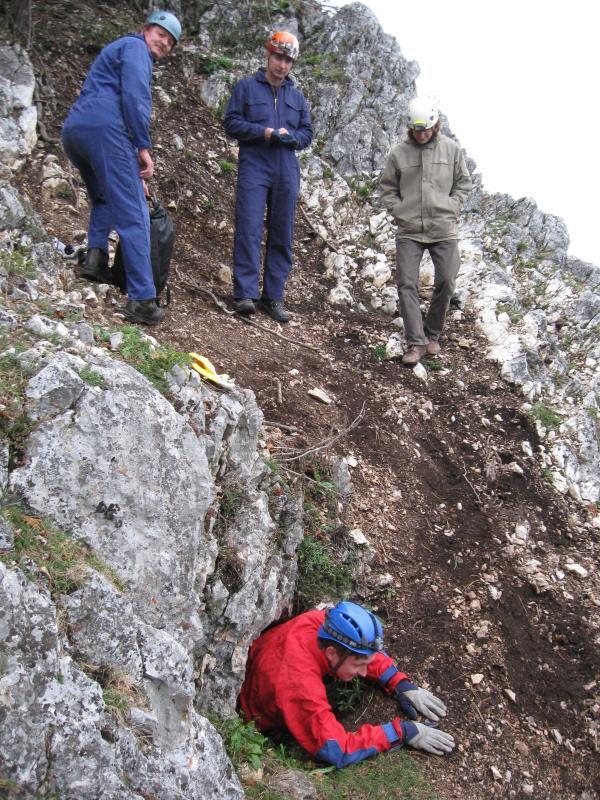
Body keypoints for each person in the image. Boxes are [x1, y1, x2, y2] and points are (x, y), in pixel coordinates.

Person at [61, 10, 181, 327]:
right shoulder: (136, 49)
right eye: (161, 33)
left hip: (76, 132)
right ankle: (142, 299)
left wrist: (128, 164)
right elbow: (135, 98)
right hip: (106, 131)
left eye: (171, 41)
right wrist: (142, 148)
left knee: (104, 197)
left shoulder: (118, 49)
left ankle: (96, 260)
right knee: (135, 214)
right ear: (145, 29)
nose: (165, 42)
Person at [239, 600, 455, 768]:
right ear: (331, 653)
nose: (363, 672)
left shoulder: (321, 625)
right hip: (251, 716)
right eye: (358, 666)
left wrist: (398, 682)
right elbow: (338, 749)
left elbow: (362, 653)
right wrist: (401, 732)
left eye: (365, 665)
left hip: (264, 667)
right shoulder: (300, 685)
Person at [224, 31, 313, 323]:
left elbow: (307, 134)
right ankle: (245, 294)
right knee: (249, 227)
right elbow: (232, 122)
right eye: (278, 57)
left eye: (288, 60)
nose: (282, 65)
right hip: (255, 163)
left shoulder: (297, 98)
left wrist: (293, 138)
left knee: (282, 233)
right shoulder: (246, 88)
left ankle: (273, 297)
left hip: (286, 167)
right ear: (268, 55)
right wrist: (261, 132)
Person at [380, 97, 472, 366]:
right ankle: (415, 341)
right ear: (410, 127)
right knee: (406, 283)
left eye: (426, 129)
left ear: (435, 124)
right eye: (417, 130)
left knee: (446, 281)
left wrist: (452, 206)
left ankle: (432, 334)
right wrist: (399, 210)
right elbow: (387, 188)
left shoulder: (452, 150)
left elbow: (464, 184)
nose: (422, 135)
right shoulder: (398, 153)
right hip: (409, 230)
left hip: (444, 229)